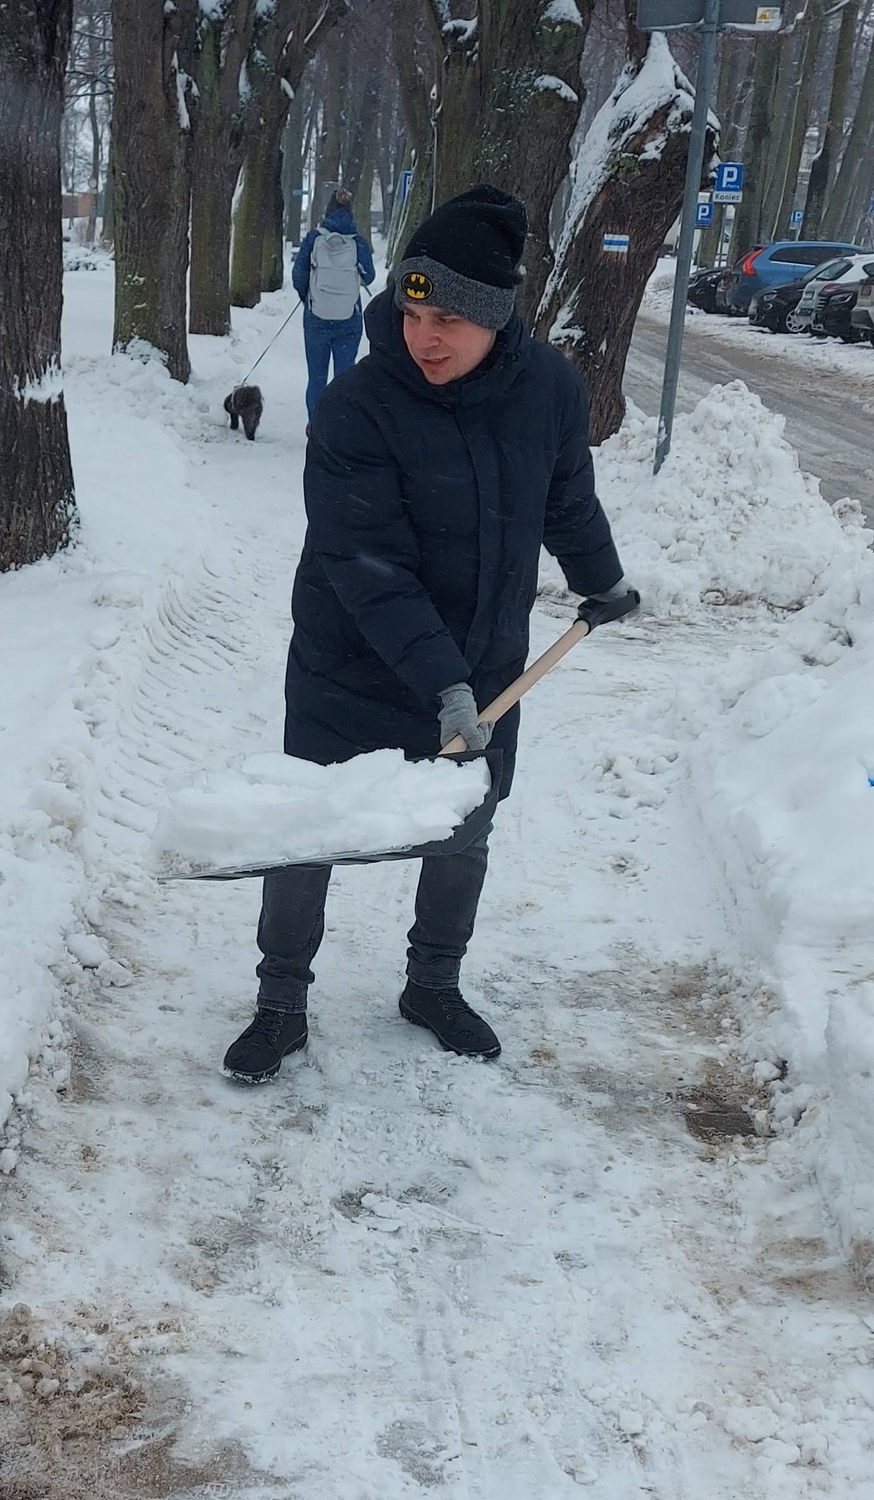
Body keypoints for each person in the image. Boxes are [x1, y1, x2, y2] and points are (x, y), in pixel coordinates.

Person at [224, 184, 636, 1084]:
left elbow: (566, 496)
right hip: (350, 660)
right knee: (310, 831)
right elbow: (365, 560)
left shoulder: (550, 390)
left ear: (495, 314)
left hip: (484, 659)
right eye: (413, 313)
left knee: (462, 830)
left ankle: (433, 985)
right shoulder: (359, 405)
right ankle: (281, 1001)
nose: (424, 337)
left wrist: (600, 578)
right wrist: (441, 678)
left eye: (448, 318)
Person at [292, 187, 375, 425]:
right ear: (351, 212)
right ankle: (340, 427)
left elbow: (298, 275)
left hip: (316, 320)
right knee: (344, 379)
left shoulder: (314, 238)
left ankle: (316, 427)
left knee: (316, 379)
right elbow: (369, 276)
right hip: (348, 321)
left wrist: (309, 297)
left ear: (328, 210)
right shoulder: (358, 242)